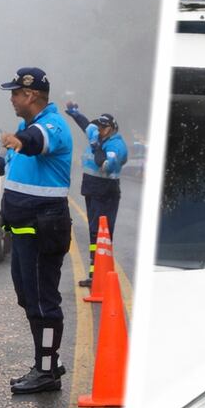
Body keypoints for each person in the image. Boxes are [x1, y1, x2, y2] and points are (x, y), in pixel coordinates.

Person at [0, 67, 73, 394]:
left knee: (43, 300)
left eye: (14, 93)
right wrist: (0, 152)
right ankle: (47, 359)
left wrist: (18, 140)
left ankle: (47, 371)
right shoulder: (25, 126)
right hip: (22, 228)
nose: (10, 99)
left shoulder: (52, 126)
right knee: (27, 296)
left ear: (31, 95)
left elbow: (37, 144)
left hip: (43, 228)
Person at [64, 102, 129, 287]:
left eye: (104, 127)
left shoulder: (116, 145)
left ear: (112, 128)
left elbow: (107, 166)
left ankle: (103, 275)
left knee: (103, 233)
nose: (100, 130)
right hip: (92, 189)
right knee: (94, 233)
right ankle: (95, 275)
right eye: (99, 127)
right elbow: (86, 125)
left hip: (105, 191)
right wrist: (75, 113)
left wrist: (97, 147)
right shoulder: (97, 135)